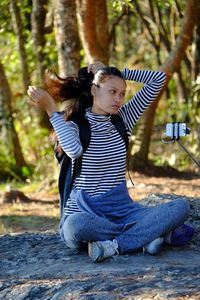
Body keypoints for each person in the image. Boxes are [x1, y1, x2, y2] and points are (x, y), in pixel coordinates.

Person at [27, 62, 194, 262]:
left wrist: (114, 72)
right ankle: (147, 236)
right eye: (112, 91)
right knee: (76, 227)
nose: (118, 99)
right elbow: (73, 150)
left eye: (122, 93)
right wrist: (50, 109)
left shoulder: (123, 119)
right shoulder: (74, 123)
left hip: (123, 211)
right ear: (94, 90)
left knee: (181, 207)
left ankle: (115, 245)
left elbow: (157, 79)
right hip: (85, 212)